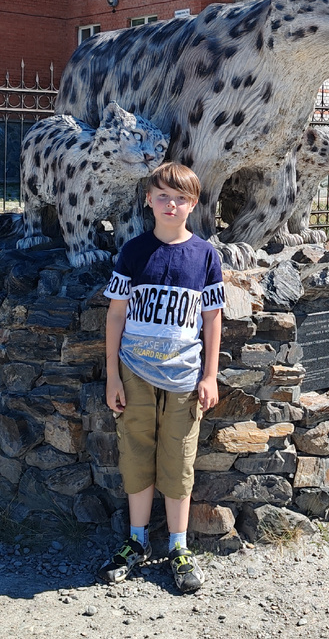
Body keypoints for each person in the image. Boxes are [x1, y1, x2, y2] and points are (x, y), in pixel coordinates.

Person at [97, 162, 224, 592]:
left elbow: (212, 319)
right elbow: (115, 316)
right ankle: (135, 541)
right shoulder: (133, 251)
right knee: (136, 453)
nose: (172, 204)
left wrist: (211, 375)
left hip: (185, 377)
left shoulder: (206, 255)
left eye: (181, 198)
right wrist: (112, 375)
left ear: (194, 204)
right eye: (163, 196)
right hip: (135, 373)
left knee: (179, 458)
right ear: (149, 199)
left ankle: (178, 544)